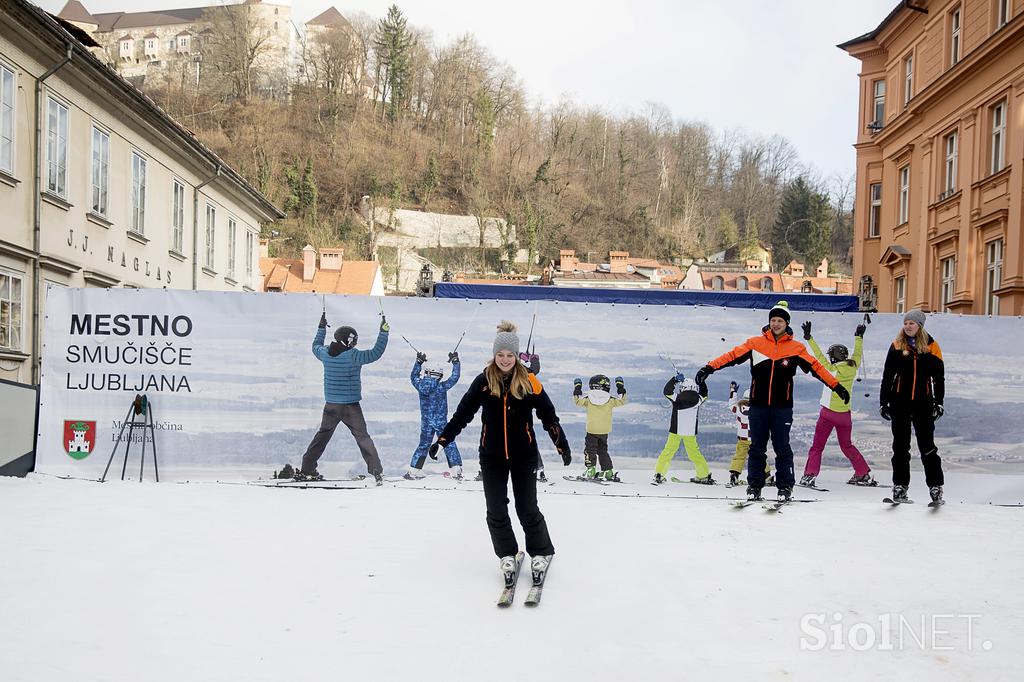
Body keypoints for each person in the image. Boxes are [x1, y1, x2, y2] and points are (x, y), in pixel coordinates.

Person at [433, 321, 571, 578]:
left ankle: (540, 552)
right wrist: (443, 440)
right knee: (495, 509)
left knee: (527, 507)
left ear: (517, 356)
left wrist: (561, 445)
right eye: (500, 355)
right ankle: (507, 554)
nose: (505, 360)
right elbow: (462, 414)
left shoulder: (530, 382)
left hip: (523, 456)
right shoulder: (483, 381)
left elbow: (548, 416)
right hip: (491, 456)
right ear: (494, 355)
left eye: (510, 355)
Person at [695, 301, 848, 502]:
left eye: (780, 320)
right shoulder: (755, 344)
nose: (776, 324)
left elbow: (817, 368)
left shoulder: (796, 348)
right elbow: (731, 356)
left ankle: (785, 487)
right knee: (756, 446)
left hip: (782, 408)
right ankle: (754, 486)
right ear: (769, 322)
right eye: (773, 320)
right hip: (758, 406)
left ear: (787, 323)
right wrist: (708, 368)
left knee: (782, 447)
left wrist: (836, 386)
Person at [299, 311, 389, 484]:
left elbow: (315, 345)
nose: (355, 342)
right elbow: (376, 353)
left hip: (331, 406)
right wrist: (384, 332)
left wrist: (321, 328)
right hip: (350, 407)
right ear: (348, 341)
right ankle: (377, 472)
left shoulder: (325, 353)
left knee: (322, 436)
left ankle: (307, 469)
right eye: (353, 340)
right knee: (363, 437)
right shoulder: (354, 356)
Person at [879, 309, 945, 504]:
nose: (908, 326)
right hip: (899, 403)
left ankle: (936, 487)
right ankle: (900, 486)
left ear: (920, 326)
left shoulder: (932, 347)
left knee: (927, 447)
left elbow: (938, 379)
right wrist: (884, 402)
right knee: (900, 447)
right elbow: (887, 377)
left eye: (912, 323)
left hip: (923, 404)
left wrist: (939, 402)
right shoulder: (897, 346)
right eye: (906, 322)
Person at [799, 320, 874, 488]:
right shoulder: (853, 368)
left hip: (828, 413)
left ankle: (809, 475)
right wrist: (858, 337)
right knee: (847, 445)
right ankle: (862, 473)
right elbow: (857, 353)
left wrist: (808, 338)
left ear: (833, 357)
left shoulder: (831, 370)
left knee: (817, 447)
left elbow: (817, 356)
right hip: (845, 415)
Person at [405, 351, 462, 480]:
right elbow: (455, 377)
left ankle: (414, 471)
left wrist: (418, 362)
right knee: (447, 443)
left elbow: (413, 376)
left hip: (426, 422)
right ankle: (456, 470)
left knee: (424, 444)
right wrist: (455, 361)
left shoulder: (420, 385)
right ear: (439, 375)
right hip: (440, 422)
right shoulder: (441, 387)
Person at [653, 373, 714, 485]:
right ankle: (703, 475)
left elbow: (666, 391)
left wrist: (674, 380)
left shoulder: (677, 398)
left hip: (676, 431)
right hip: (690, 432)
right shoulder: (698, 399)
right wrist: (702, 381)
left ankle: (659, 474)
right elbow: (704, 393)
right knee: (695, 454)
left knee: (668, 452)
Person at [573, 374, 627, 481]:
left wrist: (577, 388)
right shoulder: (610, 400)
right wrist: (620, 387)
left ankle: (590, 469)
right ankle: (607, 471)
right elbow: (621, 400)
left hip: (592, 430)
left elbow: (578, 401)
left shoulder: (588, 399)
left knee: (590, 450)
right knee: (602, 451)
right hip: (604, 431)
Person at [726, 381, 772, 487]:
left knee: (739, 456)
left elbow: (731, 404)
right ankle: (767, 476)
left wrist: (733, 391)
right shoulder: (759, 409)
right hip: (755, 438)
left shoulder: (738, 408)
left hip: (742, 438)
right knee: (759, 456)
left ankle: (734, 474)